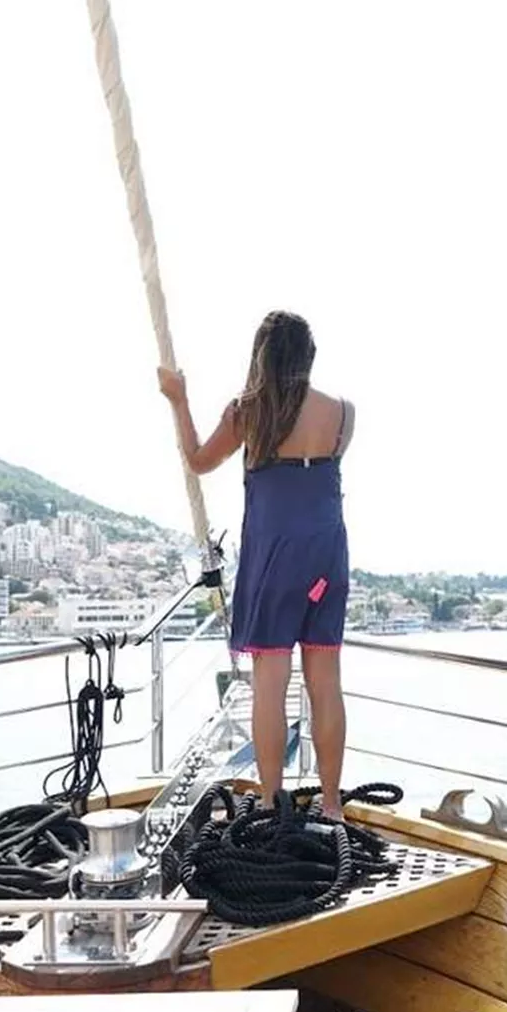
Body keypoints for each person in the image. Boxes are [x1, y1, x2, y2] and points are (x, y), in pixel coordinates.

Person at [157, 311, 355, 818]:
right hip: (326, 558)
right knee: (325, 681)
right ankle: (332, 802)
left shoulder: (249, 413)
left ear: (262, 356)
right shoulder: (342, 415)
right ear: (308, 355)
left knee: (270, 685)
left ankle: (270, 800)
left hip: (274, 560)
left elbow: (199, 460)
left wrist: (179, 400)